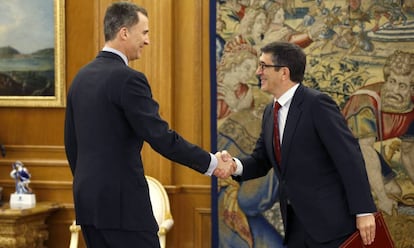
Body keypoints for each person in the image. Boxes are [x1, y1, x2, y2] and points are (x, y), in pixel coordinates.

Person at [64, 2, 234, 248]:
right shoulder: (129, 79)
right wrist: (212, 163)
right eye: (144, 32)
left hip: (88, 205)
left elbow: (72, 143)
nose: (147, 41)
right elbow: (161, 137)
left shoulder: (81, 77)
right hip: (123, 209)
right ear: (124, 32)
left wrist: (91, 185)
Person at [222, 41, 377, 247]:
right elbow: (261, 160)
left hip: (331, 226)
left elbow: (349, 157)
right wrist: (234, 165)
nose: (258, 72)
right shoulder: (270, 111)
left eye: (263, 66)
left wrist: (364, 211)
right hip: (295, 225)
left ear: (284, 72)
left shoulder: (317, 104)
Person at [342, 50, 414, 215]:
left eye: (402, 86)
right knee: (377, 199)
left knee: (395, 192)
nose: (394, 90)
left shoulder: (411, 108)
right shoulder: (365, 103)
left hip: (359, 150)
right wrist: (382, 199)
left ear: (412, 90)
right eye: (391, 81)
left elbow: (409, 153)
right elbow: (365, 151)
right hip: (338, 152)